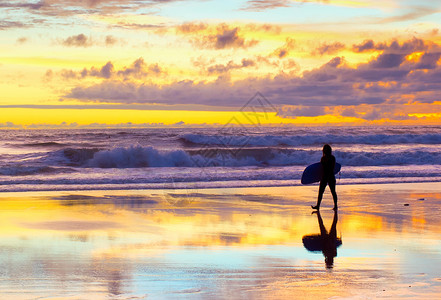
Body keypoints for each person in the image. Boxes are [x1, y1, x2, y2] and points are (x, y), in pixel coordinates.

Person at [312, 144, 338, 210]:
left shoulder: (331, 158)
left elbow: (331, 168)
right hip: (325, 177)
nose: (324, 150)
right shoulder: (323, 158)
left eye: (325, 149)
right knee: (321, 192)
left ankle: (335, 206)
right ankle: (318, 206)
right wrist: (318, 177)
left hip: (329, 176)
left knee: (333, 192)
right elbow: (321, 169)